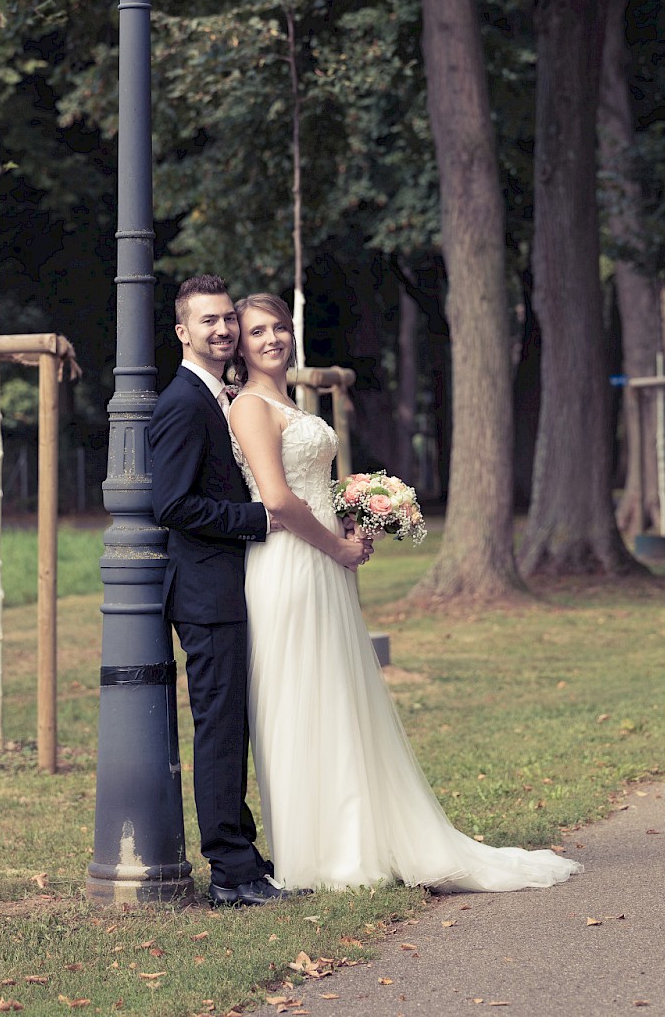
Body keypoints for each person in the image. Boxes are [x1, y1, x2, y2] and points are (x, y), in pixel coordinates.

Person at [228, 291, 583, 895]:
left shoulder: (291, 399)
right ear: (240, 343)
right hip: (287, 564)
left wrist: (350, 518)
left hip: (323, 561)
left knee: (340, 695)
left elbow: (311, 488)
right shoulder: (250, 407)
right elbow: (278, 500)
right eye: (258, 331)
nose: (272, 339)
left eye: (280, 327)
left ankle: (358, 835)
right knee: (298, 697)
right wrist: (336, 547)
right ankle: (315, 855)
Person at [148, 275, 370, 908]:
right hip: (206, 592)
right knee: (220, 731)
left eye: (227, 319)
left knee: (239, 725)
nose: (222, 329)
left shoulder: (224, 394)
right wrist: (258, 519)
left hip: (242, 583)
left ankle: (247, 856)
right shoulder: (184, 403)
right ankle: (230, 874)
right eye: (209, 321)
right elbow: (170, 503)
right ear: (183, 332)